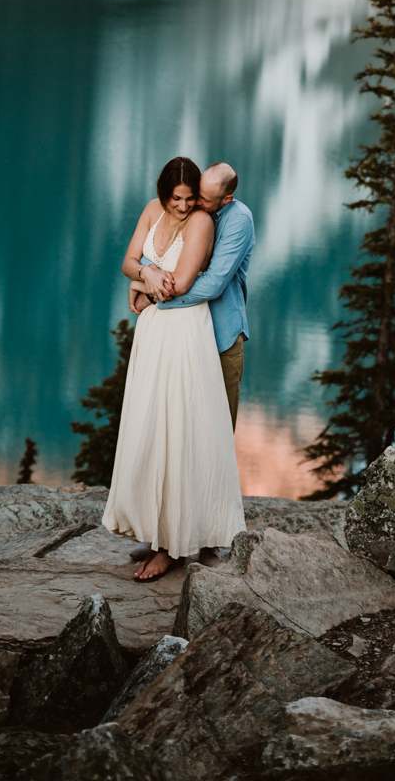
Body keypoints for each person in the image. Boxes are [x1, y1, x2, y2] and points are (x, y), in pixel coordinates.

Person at [102, 156, 245, 581]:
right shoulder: (151, 209)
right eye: (177, 198)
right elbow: (128, 260)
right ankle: (156, 528)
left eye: (190, 198)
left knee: (179, 431)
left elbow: (180, 285)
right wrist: (142, 271)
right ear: (164, 193)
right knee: (151, 426)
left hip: (185, 331)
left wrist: (144, 289)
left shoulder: (203, 222)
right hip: (153, 336)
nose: (184, 206)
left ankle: (174, 546)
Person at [135, 160, 253, 432]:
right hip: (185, 338)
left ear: (226, 199)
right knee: (181, 429)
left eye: (203, 198)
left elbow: (213, 285)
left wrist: (154, 296)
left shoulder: (238, 221)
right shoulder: (193, 211)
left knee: (216, 432)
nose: (193, 203)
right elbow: (153, 252)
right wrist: (144, 275)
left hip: (221, 337)